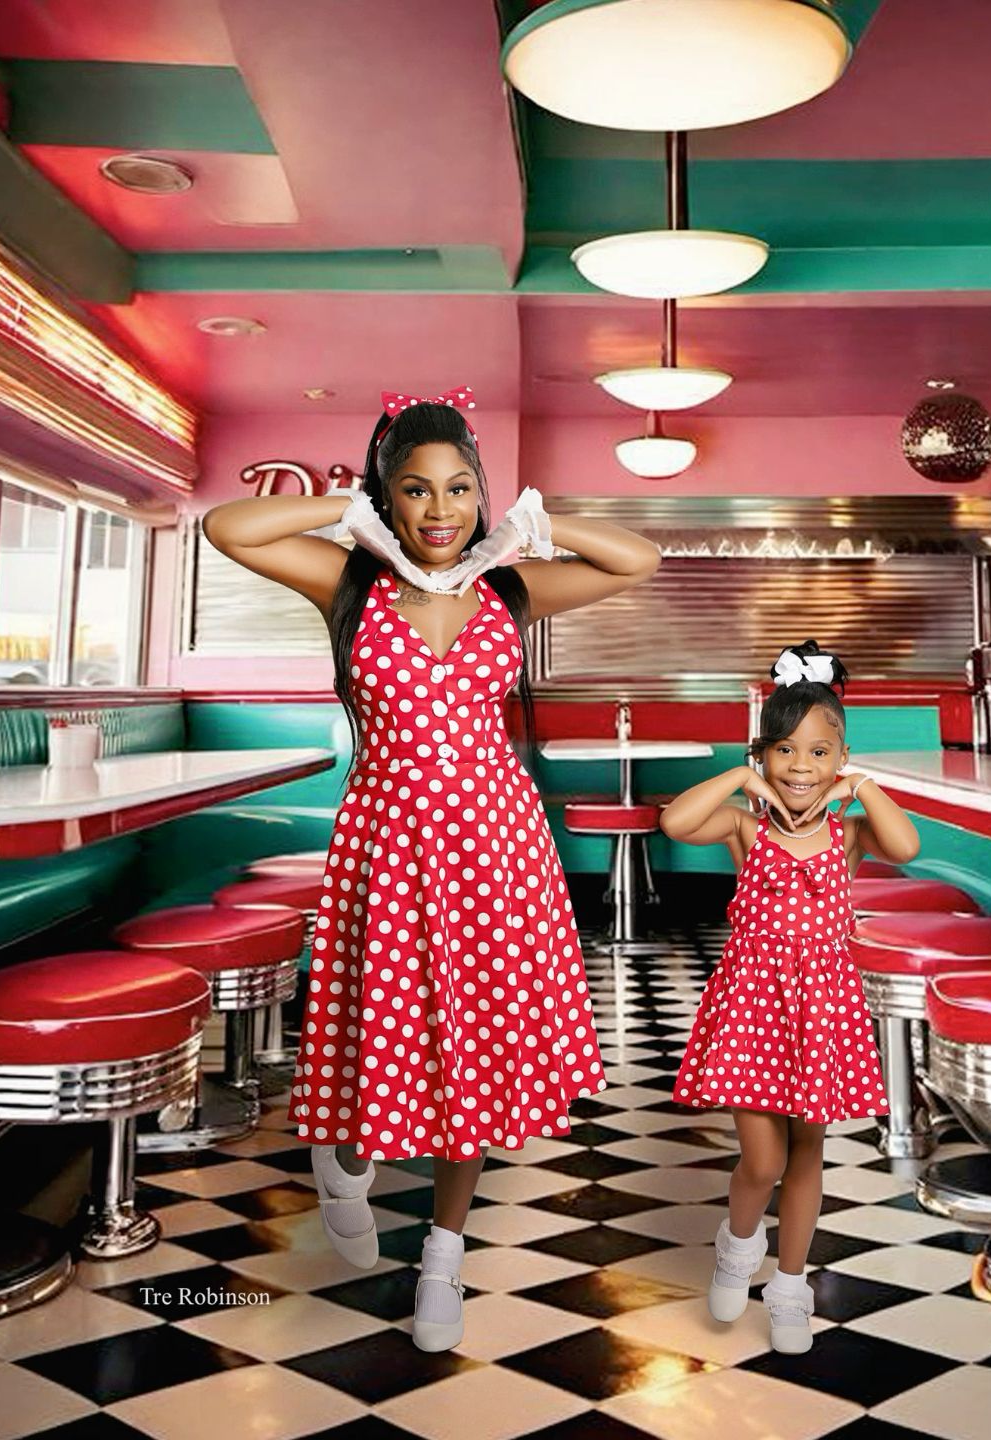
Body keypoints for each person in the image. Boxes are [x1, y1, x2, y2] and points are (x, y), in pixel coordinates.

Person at [201, 390, 659, 1351]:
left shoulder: (510, 589)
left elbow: (639, 560)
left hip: (496, 854)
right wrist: (337, 510)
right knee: (381, 1027)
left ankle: (443, 1255)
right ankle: (347, 1159)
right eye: (415, 490)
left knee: (474, 1063)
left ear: (482, 496)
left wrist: (541, 524)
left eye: (459, 488)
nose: (440, 510)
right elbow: (227, 525)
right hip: (389, 843)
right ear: (388, 497)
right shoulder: (348, 585)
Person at [660, 640, 920, 1353]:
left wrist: (861, 788)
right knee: (764, 1161)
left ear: (839, 758)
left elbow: (908, 846)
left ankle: (790, 1287)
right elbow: (676, 822)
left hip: (823, 1008)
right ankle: (738, 1247)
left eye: (818, 752)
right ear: (764, 756)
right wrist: (743, 779)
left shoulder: (848, 834)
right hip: (753, 1004)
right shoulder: (748, 828)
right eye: (782, 752)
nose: (800, 767)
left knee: (809, 1153)